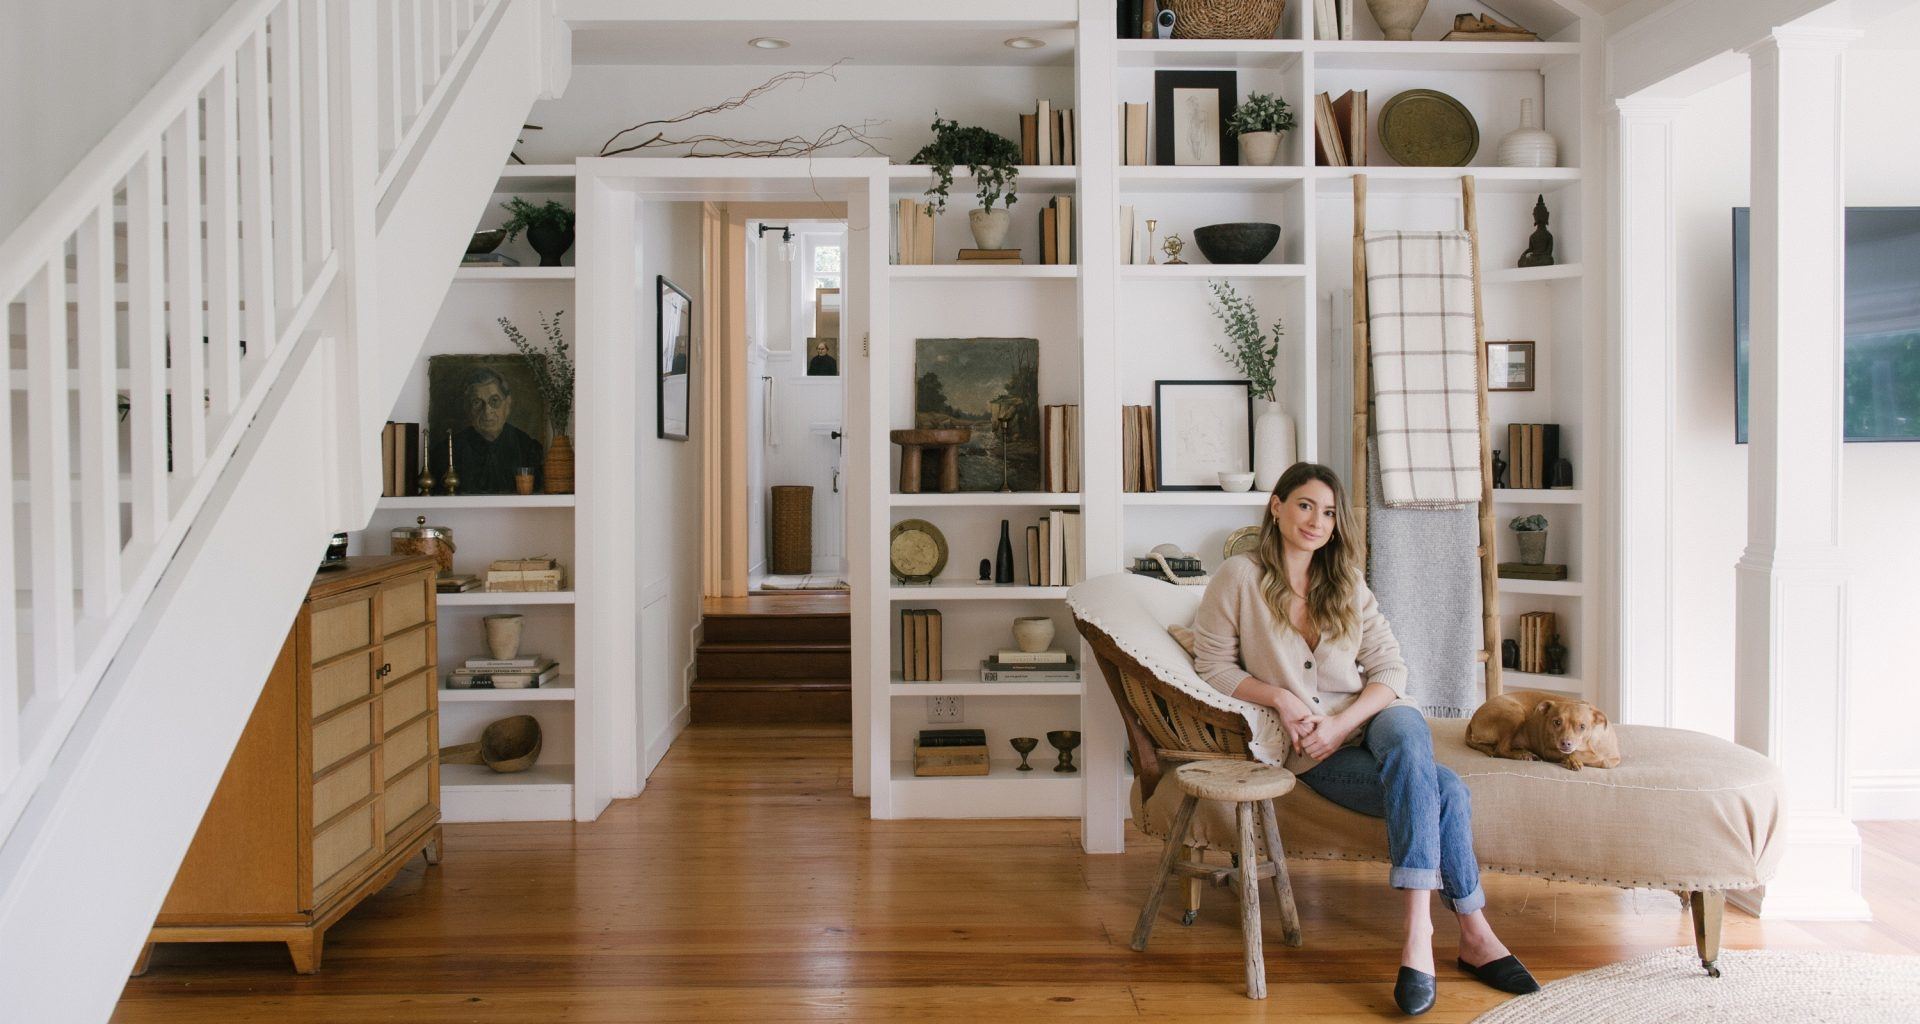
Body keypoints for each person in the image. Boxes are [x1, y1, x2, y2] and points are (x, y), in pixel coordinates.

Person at [1189, 461, 1537, 1016]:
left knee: (1407, 735)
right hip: (1309, 749)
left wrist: (1340, 723)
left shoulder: (1345, 580)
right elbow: (1213, 667)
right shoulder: (1238, 578)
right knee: (1443, 790)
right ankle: (1474, 931)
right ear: (1276, 506)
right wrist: (1282, 699)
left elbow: (1390, 670)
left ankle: (1418, 934)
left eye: (1329, 512)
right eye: (1305, 505)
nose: (1317, 521)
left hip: (1370, 718)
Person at [450, 367, 544, 494]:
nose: (487, 411)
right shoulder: (449, 450)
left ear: (508, 404)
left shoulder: (528, 448)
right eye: (477, 402)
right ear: (467, 408)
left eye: (494, 400)